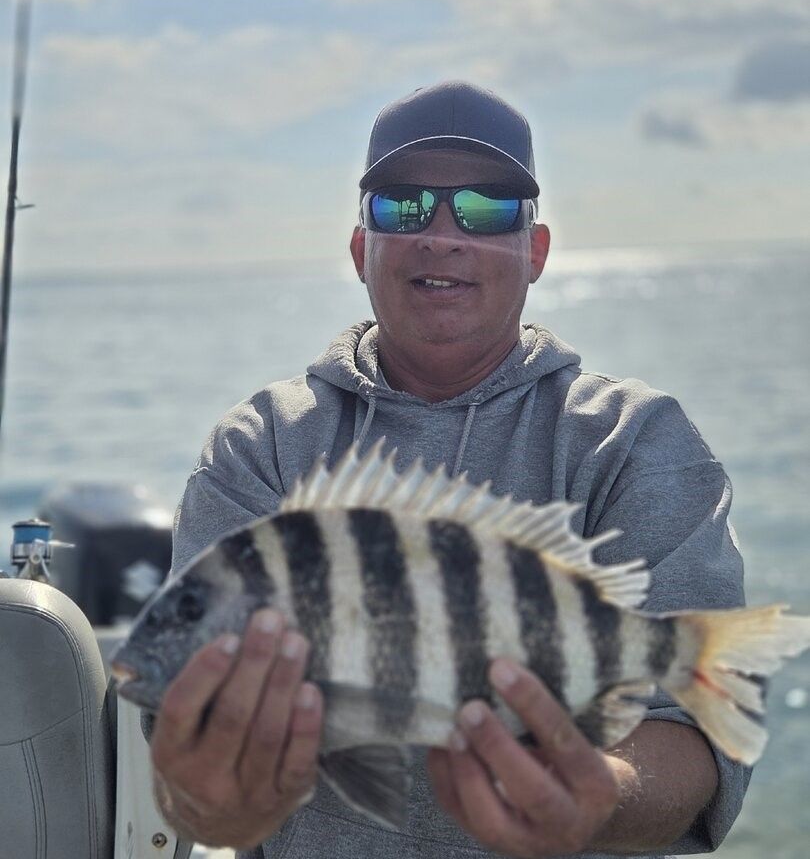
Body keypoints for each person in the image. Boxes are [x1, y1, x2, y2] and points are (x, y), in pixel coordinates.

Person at [143, 80, 751, 858]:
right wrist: (216, 803)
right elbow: (199, 794)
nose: (441, 234)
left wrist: (601, 798)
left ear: (535, 252)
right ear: (363, 247)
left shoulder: (634, 440)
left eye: (487, 208)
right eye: (402, 206)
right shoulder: (261, 444)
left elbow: (685, 740)